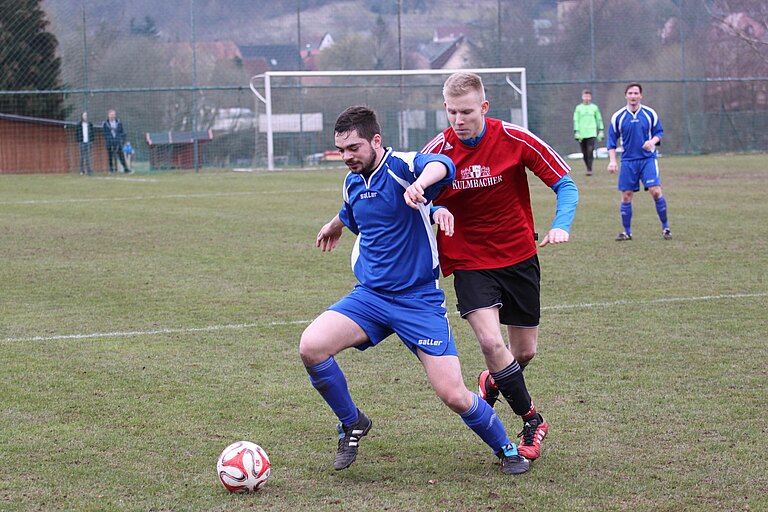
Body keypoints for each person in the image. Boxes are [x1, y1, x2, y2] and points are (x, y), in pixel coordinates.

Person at [299, 105, 530, 475]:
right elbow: (352, 209)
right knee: (311, 346)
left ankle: (507, 450)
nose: (346, 157)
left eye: (354, 148)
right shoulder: (353, 180)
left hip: (417, 301)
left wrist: (422, 186)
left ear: (376, 140)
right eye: (341, 150)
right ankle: (352, 423)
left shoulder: (403, 166)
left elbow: (443, 165)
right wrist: (335, 224)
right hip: (370, 298)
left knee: (453, 394)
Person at [422, 72, 579, 462]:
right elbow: (418, 197)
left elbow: (565, 183)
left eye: (467, 111)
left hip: (519, 257)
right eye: (452, 111)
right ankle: (532, 420)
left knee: (522, 353)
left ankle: (492, 380)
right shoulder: (437, 151)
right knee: (491, 343)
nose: (459, 119)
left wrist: (560, 225)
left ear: (484, 108)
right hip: (470, 261)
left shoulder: (515, 138)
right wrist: (437, 208)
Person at [606, 83, 671, 241]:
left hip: (647, 159)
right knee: (627, 195)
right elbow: (611, 141)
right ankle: (627, 232)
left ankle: (665, 228)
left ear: (641, 95)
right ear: (626, 96)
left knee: (655, 191)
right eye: (630, 93)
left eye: (636, 93)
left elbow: (659, 132)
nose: (633, 96)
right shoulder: (618, 117)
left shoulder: (649, 114)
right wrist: (612, 161)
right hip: (628, 161)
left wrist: (652, 142)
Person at [573, 89, 604, 176]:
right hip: (582, 134)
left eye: (588, 96)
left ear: (590, 97)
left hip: (591, 133)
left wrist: (601, 130)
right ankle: (587, 166)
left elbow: (598, 119)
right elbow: (576, 120)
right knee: (584, 152)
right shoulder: (578, 108)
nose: (586, 98)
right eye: (585, 96)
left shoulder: (594, 108)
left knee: (590, 150)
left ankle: (589, 169)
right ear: (582, 97)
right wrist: (577, 131)